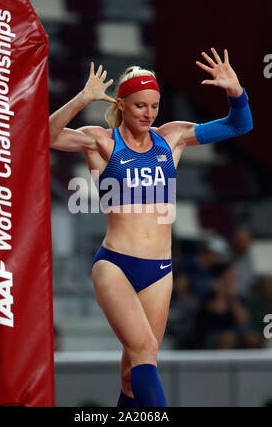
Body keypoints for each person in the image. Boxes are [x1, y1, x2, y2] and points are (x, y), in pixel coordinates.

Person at [49, 48, 253, 407]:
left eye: (155, 106)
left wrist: (236, 92)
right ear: (123, 104)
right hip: (115, 265)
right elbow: (45, 136)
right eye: (140, 105)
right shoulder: (102, 140)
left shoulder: (171, 137)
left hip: (160, 271)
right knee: (143, 350)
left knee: (132, 376)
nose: (149, 113)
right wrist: (82, 99)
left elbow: (240, 125)